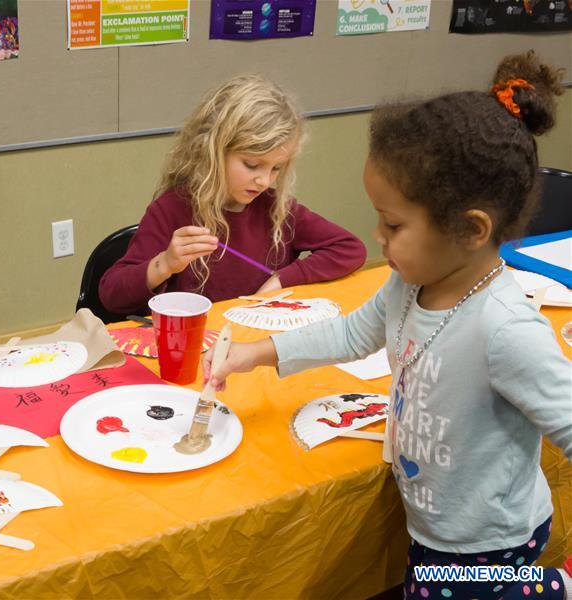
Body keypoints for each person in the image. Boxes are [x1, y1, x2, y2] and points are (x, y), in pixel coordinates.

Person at [205, 51, 571, 599]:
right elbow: (350, 333)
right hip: (432, 526)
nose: (378, 237)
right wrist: (252, 354)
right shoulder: (410, 283)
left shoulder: (505, 330)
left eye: (394, 224)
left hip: (489, 544)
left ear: (471, 230)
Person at [99, 74, 366, 316]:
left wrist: (282, 279)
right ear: (212, 151)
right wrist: (165, 264)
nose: (264, 180)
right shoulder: (172, 210)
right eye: (252, 164)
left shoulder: (277, 210)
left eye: (277, 168)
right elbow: (111, 295)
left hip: (255, 347)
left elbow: (351, 248)